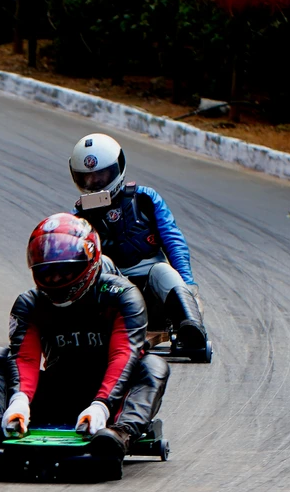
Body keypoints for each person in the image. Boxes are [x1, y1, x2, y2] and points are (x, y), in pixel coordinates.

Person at [0, 213, 169, 462]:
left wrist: (102, 405)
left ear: (89, 263)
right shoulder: (29, 303)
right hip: (60, 389)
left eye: (65, 270)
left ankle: (120, 434)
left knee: (154, 365)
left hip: (112, 398)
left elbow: (124, 355)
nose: (55, 279)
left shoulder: (122, 296)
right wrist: (19, 401)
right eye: (47, 271)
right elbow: (24, 357)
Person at [68, 132, 209, 361]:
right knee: (99, 262)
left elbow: (174, 241)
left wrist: (188, 284)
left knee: (163, 270)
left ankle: (190, 324)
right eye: (88, 178)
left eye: (102, 175)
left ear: (116, 169)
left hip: (153, 295)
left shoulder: (145, 199)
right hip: (111, 293)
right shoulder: (77, 217)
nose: (95, 183)